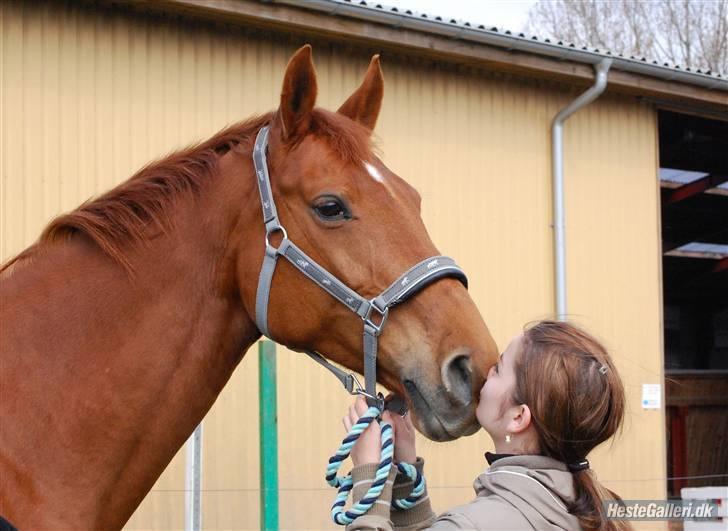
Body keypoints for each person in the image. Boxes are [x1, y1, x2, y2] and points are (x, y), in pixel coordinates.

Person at [341, 320, 630, 530]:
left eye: (500, 368)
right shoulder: (579, 511)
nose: (487, 371)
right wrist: (406, 473)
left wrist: (368, 474)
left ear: (518, 417)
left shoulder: (478, 523)